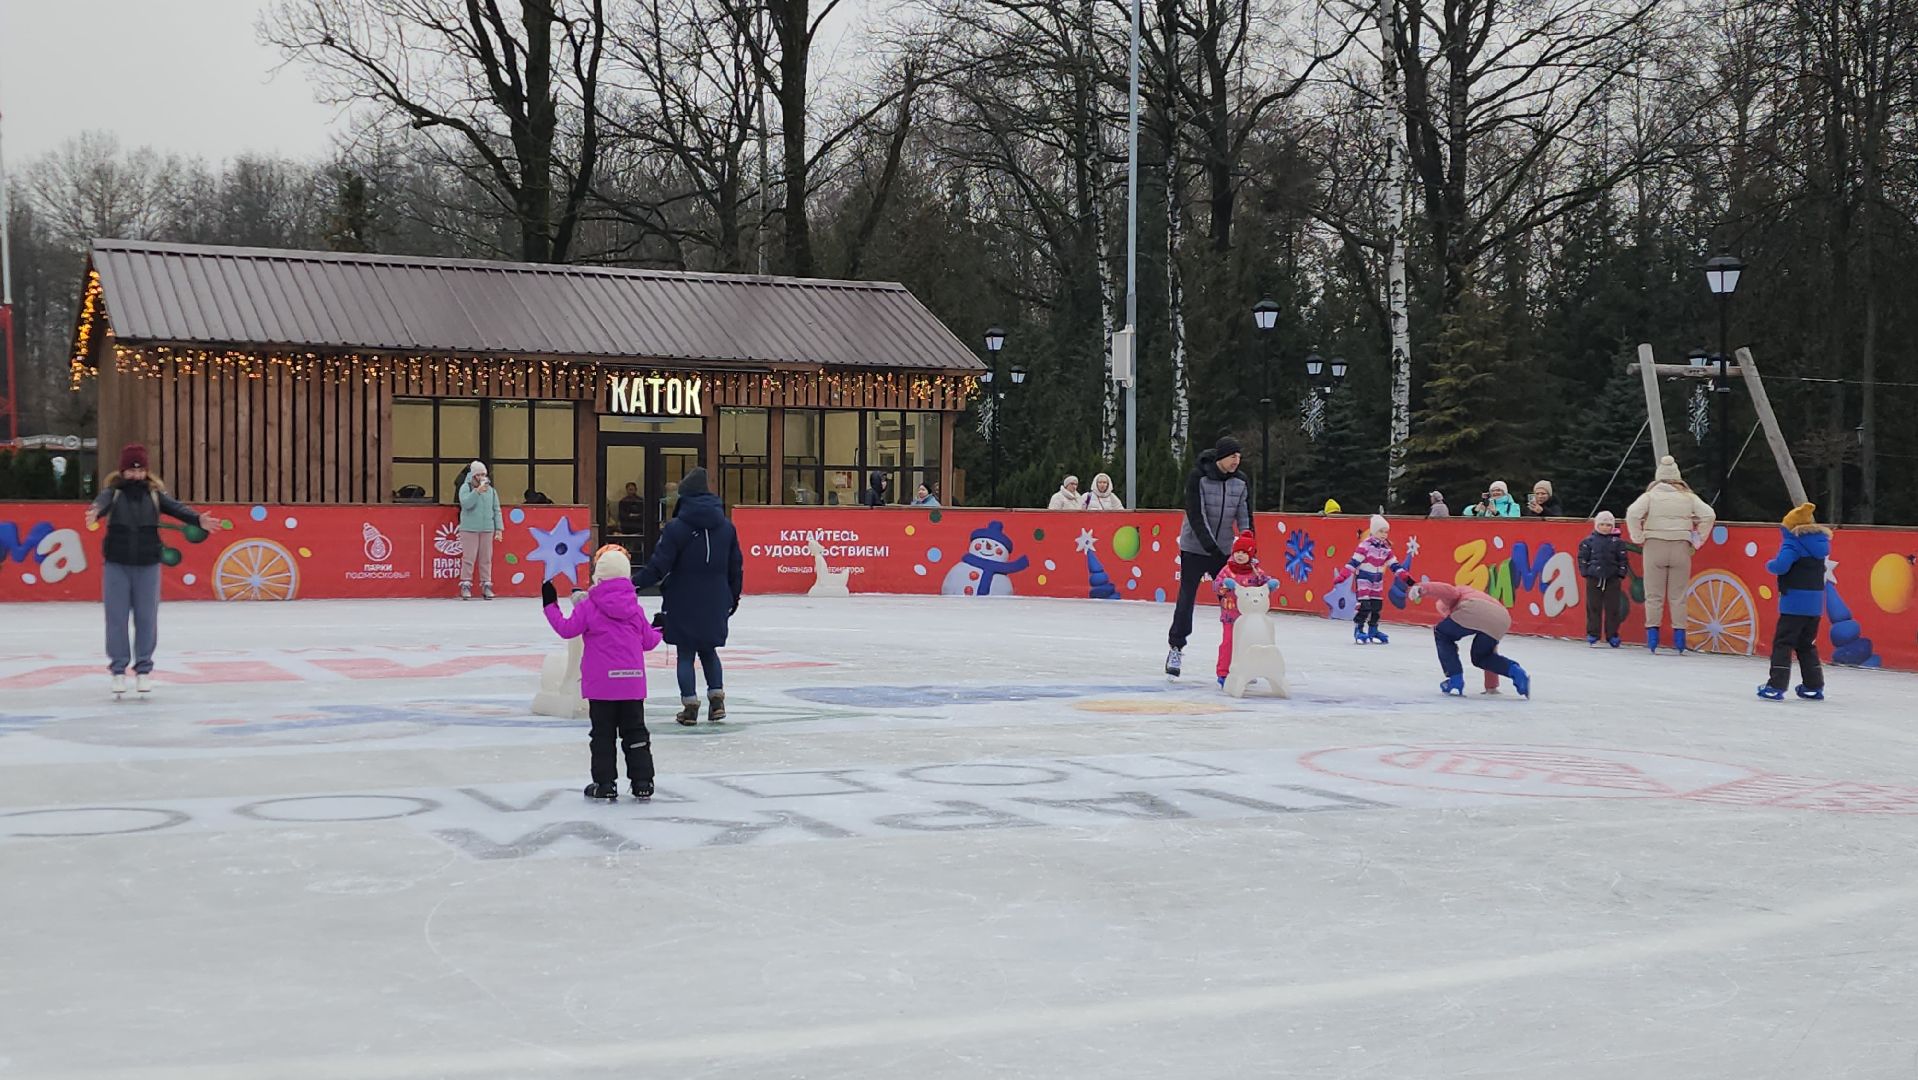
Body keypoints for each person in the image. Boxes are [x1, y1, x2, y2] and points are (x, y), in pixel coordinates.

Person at [84, 443, 217, 696]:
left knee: (146, 619)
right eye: (131, 471)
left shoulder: (155, 495)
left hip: (147, 565)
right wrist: (95, 512)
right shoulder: (114, 493)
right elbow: (100, 502)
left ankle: (143, 670)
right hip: (117, 565)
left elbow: (178, 509)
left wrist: (198, 519)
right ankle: (119, 671)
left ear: (146, 471)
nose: (136, 475)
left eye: (140, 470)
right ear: (122, 472)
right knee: (116, 620)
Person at [542, 545, 663, 801]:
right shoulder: (634, 609)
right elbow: (649, 641)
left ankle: (605, 783)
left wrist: (550, 605)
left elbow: (566, 629)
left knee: (603, 736)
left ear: (599, 576)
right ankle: (643, 782)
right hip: (631, 684)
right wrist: (660, 626)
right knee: (636, 733)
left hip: (601, 687)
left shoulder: (589, 606)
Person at [632, 467, 743, 725]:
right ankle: (717, 702)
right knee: (709, 650)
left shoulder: (676, 528)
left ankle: (690, 706)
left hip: (682, 598)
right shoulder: (727, 528)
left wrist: (631, 585)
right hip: (716, 598)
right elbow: (735, 566)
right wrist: (732, 597)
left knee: (685, 653)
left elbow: (659, 566)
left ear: (685, 497)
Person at [1165, 436, 1251, 677]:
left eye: (1239, 456)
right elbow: (1196, 514)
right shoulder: (1198, 477)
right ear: (1221, 457)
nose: (1237, 460)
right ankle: (1176, 648)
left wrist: (1247, 546)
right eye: (1233, 456)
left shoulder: (1241, 482)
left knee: (1234, 601)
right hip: (1195, 547)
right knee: (1187, 597)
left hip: (1223, 550)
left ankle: (1239, 656)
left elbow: (1245, 517)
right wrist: (1211, 547)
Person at [1624, 456, 1717, 654]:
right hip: (1681, 547)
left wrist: (1638, 536)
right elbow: (1709, 515)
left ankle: (1652, 638)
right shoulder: (1688, 497)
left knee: (1653, 595)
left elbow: (1632, 513)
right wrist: (1697, 539)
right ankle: (1680, 639)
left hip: (1654, 546)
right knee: (1678, 595)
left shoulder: (1649, 496)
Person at [1407, 579, 1532, 699]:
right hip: (1503, 618)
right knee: (1483, 657)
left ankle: (1455, 679)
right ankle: (1516, 671)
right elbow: (1493, 650)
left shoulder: (1456, 595)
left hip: (1472, 607)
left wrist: (1422, 588)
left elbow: (1447, 590)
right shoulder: (1477, 594)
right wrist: (1491, 686)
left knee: (1442, 633)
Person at [1758, 503, 1830, 701]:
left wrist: (1769, 564)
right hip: (1815, 604)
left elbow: (1781, 566)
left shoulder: (1793, 543)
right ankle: (1813, 685)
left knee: (1783, 643)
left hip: (1794, 603)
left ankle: (1776, 685)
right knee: (1806, 644)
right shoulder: (1819, 544)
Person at [1334, 514, 1406, 644]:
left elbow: (1394, 564)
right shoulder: (1365, 545)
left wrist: (1405, 577)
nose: (1384, 535)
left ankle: (1373, 629)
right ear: (1373, 531)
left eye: (1386, 532)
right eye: (1381, 531)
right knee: (1364, 605)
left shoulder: (1386, 548)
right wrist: (1343, 575)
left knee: (1376, 606)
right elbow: (1354, 562)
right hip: (1364, 578)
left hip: (1377, 580)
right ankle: (1359, 629)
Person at [1213, 531, 1271, 686]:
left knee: (1248, 644)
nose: (1240, 556)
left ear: (1250, 555)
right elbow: (1216, 585)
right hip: (1230, 616)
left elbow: (1265, 584)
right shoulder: (1227, 570)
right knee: (1228, 643)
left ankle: (1247, 670)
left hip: (1249, 618)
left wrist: (1270, 585)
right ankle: (1223, 673)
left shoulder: (1256, 571)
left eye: (1244, 553)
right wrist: (1224, 584)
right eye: (1237, 552)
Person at [1578, 511, 1631, 647]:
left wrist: (1621, 573)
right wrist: (1585, 572)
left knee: (1613, 608)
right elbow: (1582, 558)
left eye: (1608, 525)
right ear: (1596, 525)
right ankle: (1593, 633)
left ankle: (1612, 635)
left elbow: (1623, 560)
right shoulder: (1588, 541)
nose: (1605, 527)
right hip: (1594, 577)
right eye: (1602, 524)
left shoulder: (1618, 542)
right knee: (1593, 606)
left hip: (1612, 578)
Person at [457, 460, 505, 600]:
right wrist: (476, 492)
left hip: (487, 529)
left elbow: (496, 510)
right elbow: (466, 504)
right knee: (469, 558)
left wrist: (499, 529)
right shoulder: (466, 488)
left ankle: (486, 584)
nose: (482, 477)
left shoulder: (492, 491)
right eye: (479, 475)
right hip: (469, 529)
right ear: (473, 476)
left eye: (484, 474)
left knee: (486, 558)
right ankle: (466, 584)